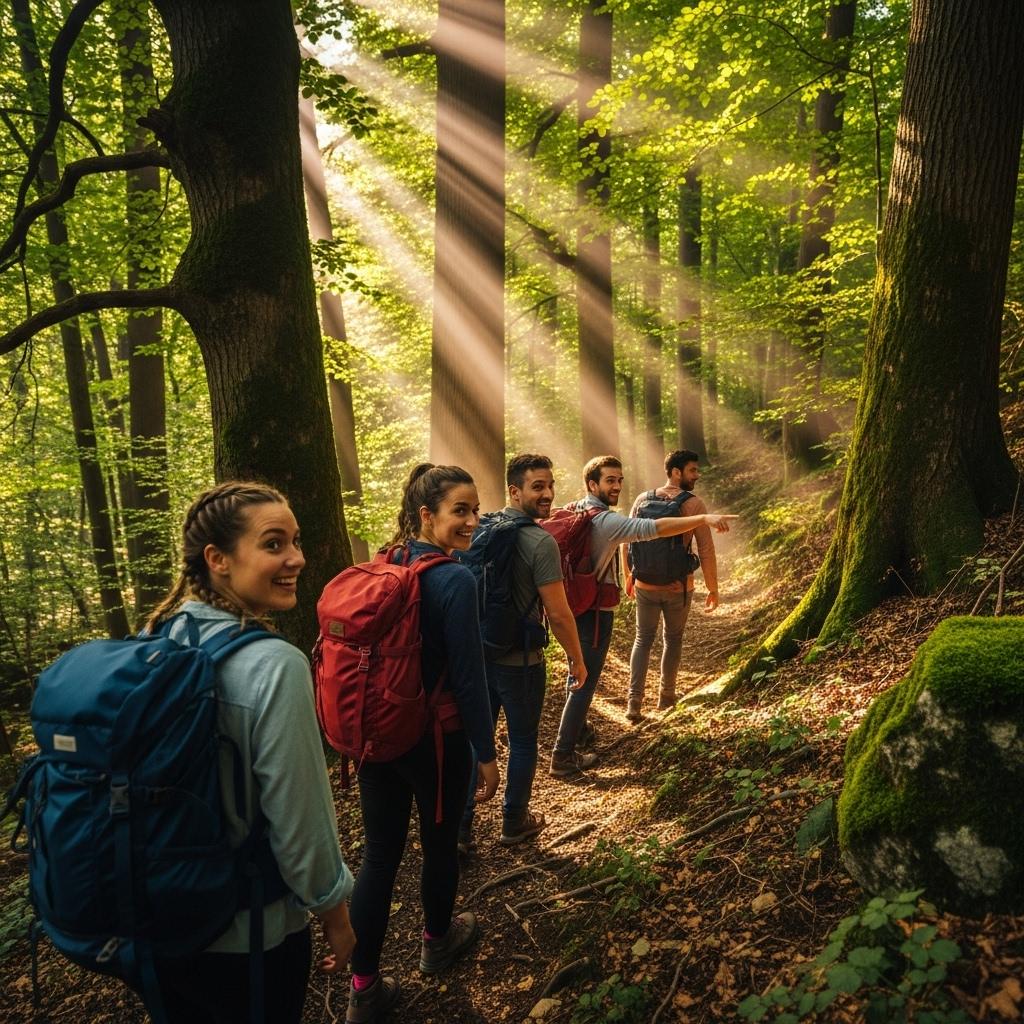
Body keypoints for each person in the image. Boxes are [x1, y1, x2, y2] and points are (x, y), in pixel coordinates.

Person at [141, 481, 356, 1024]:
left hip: (160, 922)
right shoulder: (272, 665)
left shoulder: (156, 638)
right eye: (273, 544)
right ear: (217, 558)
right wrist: (337, 917)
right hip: (248, 934)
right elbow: (301, 819)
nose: (297, 559)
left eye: (297, 542)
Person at [346, 464, 499, 1024]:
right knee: (437, 846)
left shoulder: (385, 564)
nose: (473, 521)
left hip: (377, 735)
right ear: (426, 515)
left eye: (476, 509)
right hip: (436, 740)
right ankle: (437, 941)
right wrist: (486, 752)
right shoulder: (454, 579)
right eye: (460, 510)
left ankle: (364, 987)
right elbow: (469, 675)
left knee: (380, 854)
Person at [549, 456, 735, 780]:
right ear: (592, 484)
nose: (617, 486)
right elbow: (655, 529)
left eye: (619, 479)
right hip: (597, 609)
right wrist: (703, 517)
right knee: (587, 678)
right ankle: (563, 756)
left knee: (582, 669)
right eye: (610, 480)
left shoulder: (577, 509)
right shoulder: (606, 520)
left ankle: (590, 727)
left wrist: (629, 577)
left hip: (573, 604)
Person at [460, 454, 588, 851]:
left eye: (549, 485)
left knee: (476, 738)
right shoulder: (540, 541)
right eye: (537, 487)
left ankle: (462, 828)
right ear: (514, 491)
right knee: (523, 740)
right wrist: (577, 659)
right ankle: (514, 820)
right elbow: (559, 612)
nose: (547, 494)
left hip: (480, 656)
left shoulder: (478, 530)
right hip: (521, 662)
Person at [625, 450, 721, 720]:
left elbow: (627, 539)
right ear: (676, 472)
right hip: (679, 586)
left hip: (644, 584)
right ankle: (666, 698)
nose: (697, 475)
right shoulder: (693, 505)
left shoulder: (642, 499)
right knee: (673, 639)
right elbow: (706, 549)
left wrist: (629, 576)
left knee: (642, 640)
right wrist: (713, 588)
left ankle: (634, 702)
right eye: (692, 470)